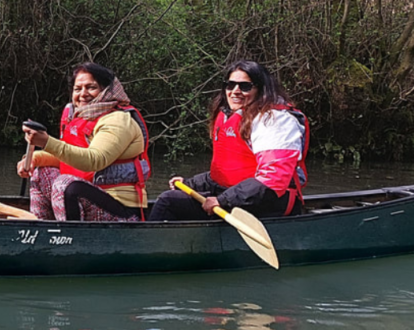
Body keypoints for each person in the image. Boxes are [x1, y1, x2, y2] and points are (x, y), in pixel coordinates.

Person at [148, 60, 308, 221]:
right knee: (170, 199)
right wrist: (190, 184)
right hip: (236, 198)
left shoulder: (275, 120)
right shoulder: (229, 115)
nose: (235, 91)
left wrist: (222, 201)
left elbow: (273, 180)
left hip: (267, 203)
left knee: (168, 202)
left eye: (244, 86)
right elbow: (224, 174)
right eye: (230, 85)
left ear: (260, 89)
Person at [18, 62, 151, 221]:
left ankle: (68, 237)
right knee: (41, 172)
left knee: (65, 184)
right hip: (85, 194)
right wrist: (35, 159)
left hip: (121, 210)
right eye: (77, 89)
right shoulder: (79, 117)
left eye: (91, 87)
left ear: (106, 90)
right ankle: (40, 227)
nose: (83, 94)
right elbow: (70, 157)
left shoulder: (118, 120)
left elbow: (94, 160)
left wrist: (46, 142)